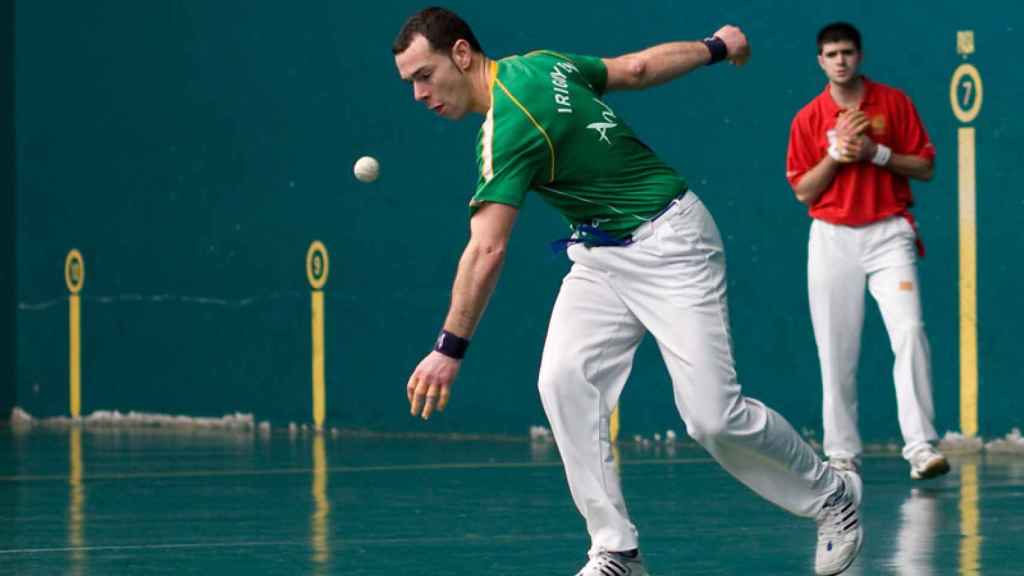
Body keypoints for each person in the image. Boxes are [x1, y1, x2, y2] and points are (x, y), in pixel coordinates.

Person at [395, 7, 861, 575]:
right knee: (563, 379)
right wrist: (715, 46)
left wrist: (448, 349)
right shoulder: (540, 64)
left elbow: (486, 249)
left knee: (713, 417)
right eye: (410, 82)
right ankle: (616, 549)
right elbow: (634, 69)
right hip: (600, 252)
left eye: (425, 75)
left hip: (672, 245)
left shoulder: (508, 128)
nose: (419, 94)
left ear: (462, 54)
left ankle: (831, 495)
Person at [786, 22, 949, 481]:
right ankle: (842, 454)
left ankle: (921, 447)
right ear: (820, 61)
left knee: (910, 331)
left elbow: (926, 167)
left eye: (847, 52)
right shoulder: (808, 118)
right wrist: (837, 154)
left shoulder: (894, 103)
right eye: (831, 54)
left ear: (859, 56)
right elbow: (803, 190)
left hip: (889, 234)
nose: (840, 60)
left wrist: (875, 153)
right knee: (835, 349)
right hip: (831, 238)